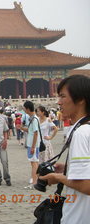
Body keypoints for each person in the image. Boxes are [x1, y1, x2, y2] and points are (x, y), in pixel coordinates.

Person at [39, 75, 90, 224]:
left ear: (80, 99)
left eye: (62, 96)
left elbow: (87, 185)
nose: (58, 102)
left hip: (79, 217)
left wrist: (58, 178)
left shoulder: (81, 133)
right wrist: (68, 169)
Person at [20, 101, 41, 189]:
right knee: (34, 163)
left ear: (28, 109)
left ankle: (34, 182)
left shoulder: (35, 119)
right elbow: (30, 131)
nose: (24, 110)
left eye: (24, 108)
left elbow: (36, 133)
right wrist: (21, 128)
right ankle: (34, 181)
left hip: (33, 144)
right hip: (31, 143)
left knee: (34, 163)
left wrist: (33, 146)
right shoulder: (32, 118)